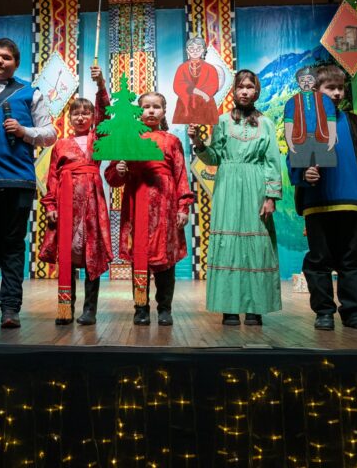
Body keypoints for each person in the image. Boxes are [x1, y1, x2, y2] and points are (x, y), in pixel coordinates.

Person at [0, 38, 56, 329]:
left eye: (6, 57)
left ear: (16, 63)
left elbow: (50, 133)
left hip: (17, 180)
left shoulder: (30, 92)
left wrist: (23, 131)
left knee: (13, 246)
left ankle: (10, 309)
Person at [289, 66, 357, 331]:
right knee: (319, 259)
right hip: (317, 204)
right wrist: (303, 173)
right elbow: (292, 160)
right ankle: (324, 312)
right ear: (315, 91)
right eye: (330, 88)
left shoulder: (354, 124)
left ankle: (353, 313)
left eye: (340, 88)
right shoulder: (305, 124)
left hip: (349, 202)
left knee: (352, 258)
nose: (337, 93)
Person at [189, 70, 282, 326]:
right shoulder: (221, 121)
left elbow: (272, 161)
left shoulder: (266, 123)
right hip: (228, 186)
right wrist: (198, 143)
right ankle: (229, 308)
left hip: (255, 186)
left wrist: (271, 197)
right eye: (240, 86)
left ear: (256, 91)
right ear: (234, 91)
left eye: (250, 86)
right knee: (227, 244)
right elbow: (214, 158)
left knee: (257, 245)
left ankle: (255, 308)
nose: (245, 91)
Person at [105, 92, 194, 326]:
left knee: (165, 258)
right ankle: (141, 308)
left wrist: (183, 207)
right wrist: (119, 171)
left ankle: (165, 309)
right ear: (138, 111)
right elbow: (112, 177)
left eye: (156, 107)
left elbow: (180, 175)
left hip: (165, 205)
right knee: (139, 256)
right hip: (137, 203)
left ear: (164, 112)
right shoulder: (128, 138)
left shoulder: (172, 141)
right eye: (146, 107)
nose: (151, 111)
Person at [39, 66, 112, 325]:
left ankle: (90, 310)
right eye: (76, 114)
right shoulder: (60, 144)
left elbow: (105, 113)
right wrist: (50, 206)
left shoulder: (97, 139)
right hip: (66, 204)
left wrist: (100, 84)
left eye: (86, 113)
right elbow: (52, 178)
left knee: (92, 254)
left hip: (92, 203)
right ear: (69, 118)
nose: (81, 117)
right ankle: (65, 308)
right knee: (67, 256)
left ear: (92, 117)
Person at [284, 66, 338, 169]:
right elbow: (288, 124)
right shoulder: (291, 102)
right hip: (300, 141)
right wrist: (290, 143)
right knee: (301, 171)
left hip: (323, 140)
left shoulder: (325, 99)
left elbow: (331, 119)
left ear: (315, 80)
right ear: (298, 83)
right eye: (302, 80)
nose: (306, 82)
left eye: (309, 79)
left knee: (328, 169)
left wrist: (331, 139)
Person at [172, 36, 220, 125]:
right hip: (185, 105)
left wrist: (201, 94)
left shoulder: (210, 68)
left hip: (205, 104)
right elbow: (178, 85)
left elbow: (213, 86)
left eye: (198, 48)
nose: (194, 51)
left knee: (209, 130)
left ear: (203, 50)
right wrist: (197, 91)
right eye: (191, 48)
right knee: (183, 131)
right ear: (187, 50)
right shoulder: (182, 68)